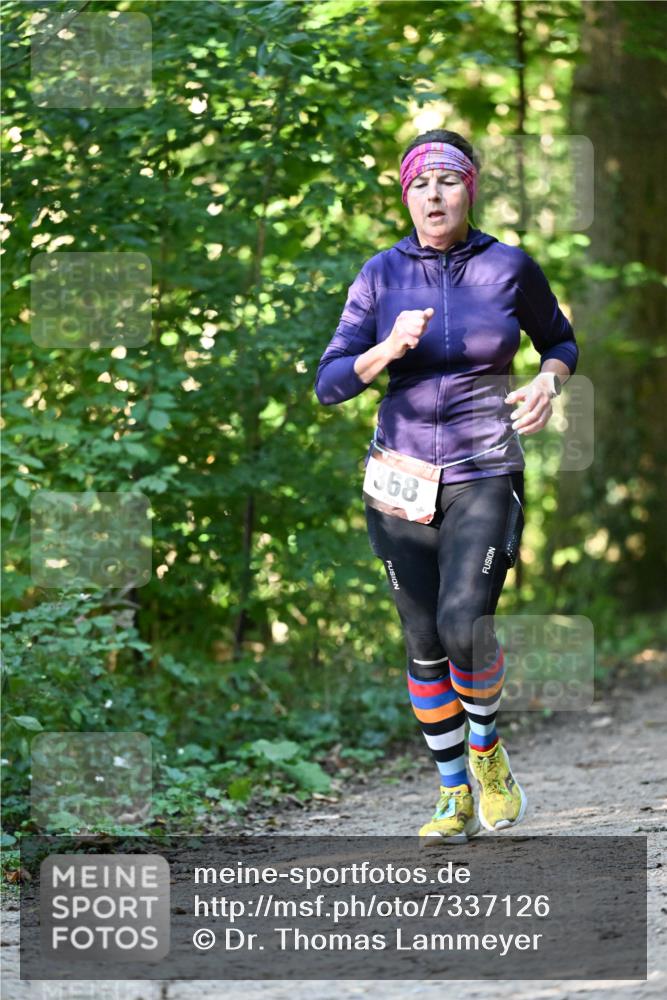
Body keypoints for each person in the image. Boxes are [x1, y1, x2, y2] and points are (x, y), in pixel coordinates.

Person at [314, 129, 578, 845]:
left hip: (484, 466)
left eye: (448, 181)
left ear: (470, 189)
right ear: (407, 196)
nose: (434, 195)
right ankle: (453, 791)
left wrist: (548, 382)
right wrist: (386, 348)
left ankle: (487, 752)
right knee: (425, 641)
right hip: (398, 478)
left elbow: (559, 341)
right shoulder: (379, 275)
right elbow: (329, 384)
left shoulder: (509, 267)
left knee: (465, 623)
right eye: (420, 184)